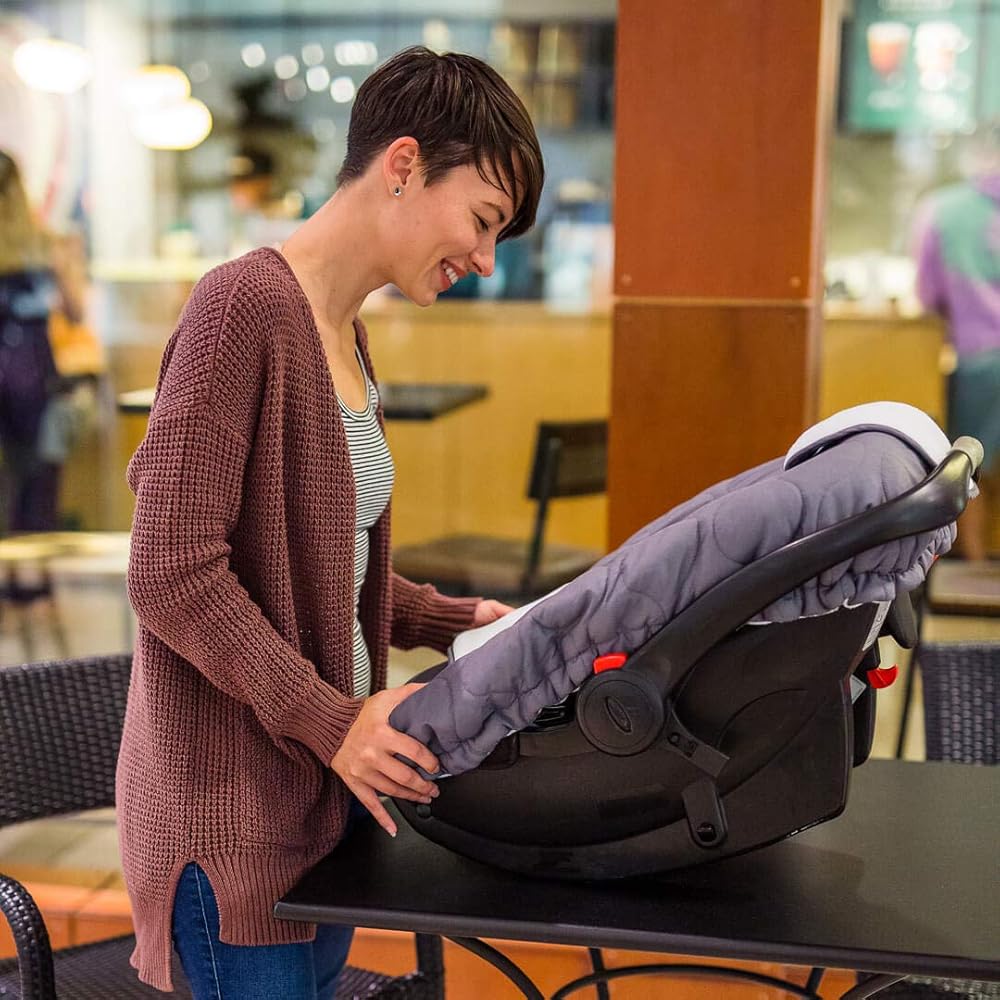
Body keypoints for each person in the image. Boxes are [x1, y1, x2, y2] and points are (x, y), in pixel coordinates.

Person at [117, 46, 544, 997]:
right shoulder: (242, 307)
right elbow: (171, 574)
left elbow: (314, 561)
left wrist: (450, 620)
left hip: (317, 800)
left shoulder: (344, 330)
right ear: (404, 165)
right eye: (483, 220)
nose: (485, 259)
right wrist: (332, 720)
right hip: (234, 820)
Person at [912, 120, 1000, 561]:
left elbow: (928, 294)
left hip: (978, 359)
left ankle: (974, 561)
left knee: (969, 463)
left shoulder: (944, 210)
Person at [0, 150, 86, 536]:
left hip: (22, 372)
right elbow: (75, 312)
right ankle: (31, 563)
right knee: (36, 479)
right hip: (32, 374)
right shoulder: (45, 243)